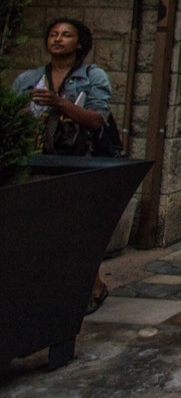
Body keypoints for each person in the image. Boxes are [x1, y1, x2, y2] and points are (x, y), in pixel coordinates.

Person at [12, 17, 114, 314]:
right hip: (36, 160)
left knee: (78, 227)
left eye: (66, 35)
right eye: (54, 34)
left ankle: (90, 286)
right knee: (38, 229)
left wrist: (61, 104)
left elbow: (97, 120)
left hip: (77, 161)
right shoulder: (28, 80)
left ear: (79, 42)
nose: (58, 39)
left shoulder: (94, 77)